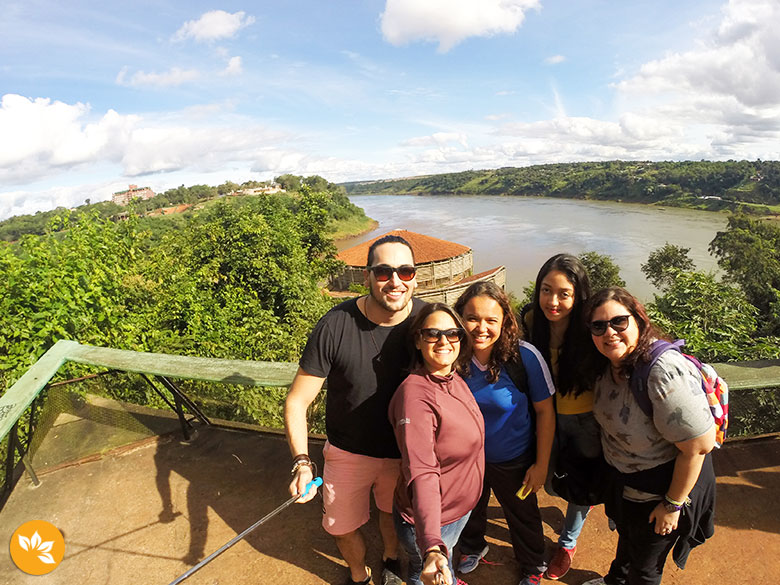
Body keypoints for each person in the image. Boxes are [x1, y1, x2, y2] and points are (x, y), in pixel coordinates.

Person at [285, 234, 425, 585]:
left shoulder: (430, 324)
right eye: (384, 272)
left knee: (391, 517)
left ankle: (391, 560)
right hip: (348, 451)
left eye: (405, 271)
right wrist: (302, 463)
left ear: (415, 277)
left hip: (403, 453)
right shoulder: (335, 325)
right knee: (340, 525)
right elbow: (297, 400)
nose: (395, 281)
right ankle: (358, 573)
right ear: (367, 277)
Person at [580, 287, 716, 585]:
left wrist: (672, 505)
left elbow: (699, 447)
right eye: (598, 326)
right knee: (629, 541)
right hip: (629, 485)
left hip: (663, 490)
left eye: (619, 321)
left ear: (638, 320)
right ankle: (615, 580)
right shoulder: (609, 364)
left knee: (646, 568)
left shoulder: (661, 372)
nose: (610, 332)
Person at [453, 281, 556, 585]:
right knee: (470, 507)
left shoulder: (523, 358)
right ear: (459, 318)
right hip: (467, 460)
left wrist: (540, 465)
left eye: (490, 320)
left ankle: (533, 564)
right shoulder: (452, 356)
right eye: (472, 318)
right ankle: (472, 546)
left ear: (505, 322)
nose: (480, 328)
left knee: (522, 515)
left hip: (513, 458)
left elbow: (545, 412)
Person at [389, 303, 484, 585]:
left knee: (445, 561)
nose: (444, 341)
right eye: (432, 334)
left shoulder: (451, 377)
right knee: (426, 571)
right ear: (418, 340)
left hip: (457, 511)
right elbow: (423, 471)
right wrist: (432, 544)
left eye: (452, 333)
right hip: (434, 521)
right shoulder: (416, 397)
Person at [523, 253, 600, 580]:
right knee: (551, 483)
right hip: (543, 418)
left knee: (579, 488)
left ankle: (567, 543)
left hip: (584, 423)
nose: (552, 302)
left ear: (578, 296)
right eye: (545, 290)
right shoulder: (529, 321)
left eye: (564, 294)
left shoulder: (591, 329)